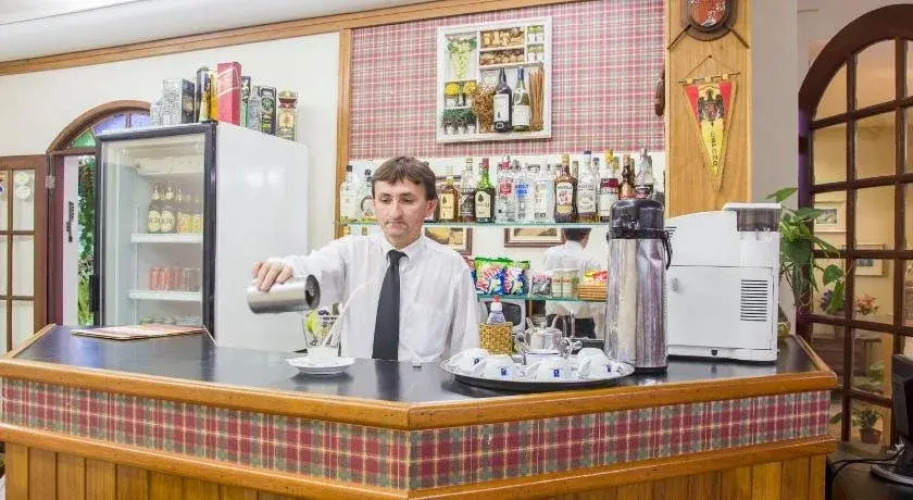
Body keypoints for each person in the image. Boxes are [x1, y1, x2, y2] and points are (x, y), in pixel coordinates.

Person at [252, 156, 480, 362]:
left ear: (430, 206)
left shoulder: (452, 268)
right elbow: (314, 266)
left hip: (423, 392)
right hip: (357, 388)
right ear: (374, 204)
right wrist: (286, 267)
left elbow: (466, 351)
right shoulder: (351, 253)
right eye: (385, 200)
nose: (394, 213)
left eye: (407, 200)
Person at [543, 228, 603, 338]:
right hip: (581, 326)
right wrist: (600, 333)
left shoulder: (550, 254)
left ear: (563, 233)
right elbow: (596, 305)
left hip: (553, 322)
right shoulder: (591, 262)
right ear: (587, 235)